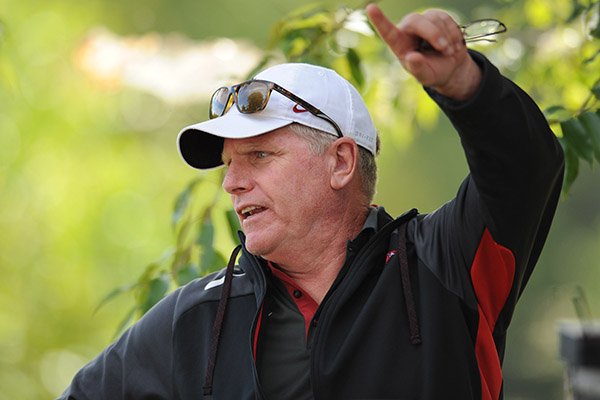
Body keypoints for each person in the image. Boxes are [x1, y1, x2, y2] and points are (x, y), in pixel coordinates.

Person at [60, 4, 564, 400]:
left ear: (341, 162)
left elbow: (524, 166)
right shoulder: (196, 316)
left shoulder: (442, 264)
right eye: (229, 162)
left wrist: (464, 86)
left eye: (259, 155)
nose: (231, 183)